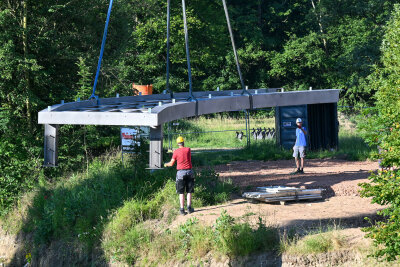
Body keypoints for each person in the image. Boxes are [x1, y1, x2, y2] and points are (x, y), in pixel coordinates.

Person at [164, 136, 195, 215]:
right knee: (189, 191)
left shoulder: (176, 152)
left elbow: (171, 164)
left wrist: (165, 164)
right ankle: (189, 208)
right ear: (183, 142)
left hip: (181, 173)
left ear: (177, 143)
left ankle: (182, 210)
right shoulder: (188, 149)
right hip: (189, 172)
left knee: (181, 192)